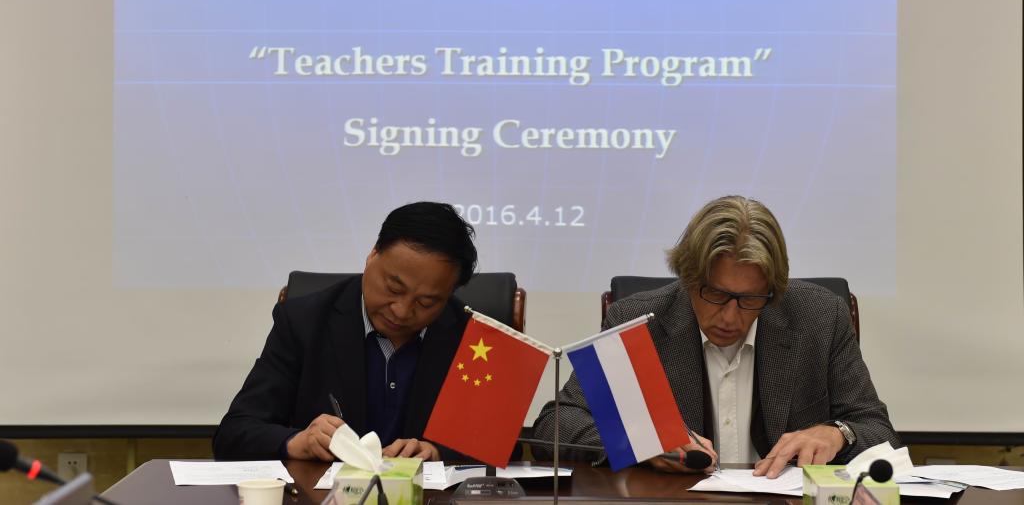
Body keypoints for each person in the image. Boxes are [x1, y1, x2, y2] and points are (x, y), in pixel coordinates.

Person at [533, 195, 899, 477]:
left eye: (750, 299)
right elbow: (555, 425)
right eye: (715, 294)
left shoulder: (819, 318)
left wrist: (838, 434)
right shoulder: (637, 323)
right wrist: (639, 444)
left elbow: (877, 430)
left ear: (772, 290)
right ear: (688, 279)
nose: (730, 317)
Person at [213, 201, 477, 462]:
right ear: (373, 254)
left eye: (426, 302)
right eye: (394, 289)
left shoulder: (472, 338)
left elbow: (496, 444)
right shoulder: (304, 322)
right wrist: (297, 441)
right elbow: (234, 433)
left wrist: (439, 453)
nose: (401, 311)